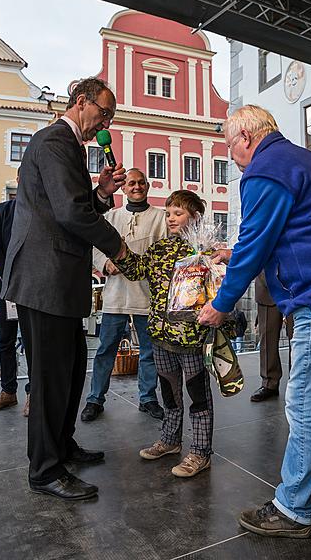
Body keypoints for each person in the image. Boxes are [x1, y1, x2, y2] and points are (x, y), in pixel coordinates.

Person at [198, 105, 311, 538]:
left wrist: (220, 303)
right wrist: (234, 254)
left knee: (304, 405)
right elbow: (292, 230)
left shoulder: (265, 170)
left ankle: (292, 508)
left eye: (229, 147)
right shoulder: (302, 159)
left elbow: (257, 242)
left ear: (246, 137)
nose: (232, 157)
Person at [1, 77, 126, 501]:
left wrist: (103, 194)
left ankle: (63, 446)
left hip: (58, 277)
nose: (105, 122)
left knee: (71, 372)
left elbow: (72, 205)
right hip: (45, 276)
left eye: (110, 117)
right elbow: (71, 214)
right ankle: (45, 469)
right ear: (80, 102)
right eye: (103, 113)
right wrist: (117, 245)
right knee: (51, 377)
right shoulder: (56, 141)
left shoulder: (69, 146)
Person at [116, 190, 216, 478]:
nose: (171, 218)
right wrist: (120, 250)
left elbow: (218, 291)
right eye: (169, 212)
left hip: (193, 339)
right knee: (169, 394)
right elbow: (135, 271)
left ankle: (200, 452)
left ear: (195, 217)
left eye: (179, 213)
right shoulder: (158, 249)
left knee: (198, 397)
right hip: (160, 337)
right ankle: (171, 440)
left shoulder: (204, 254)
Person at [81, 168, 166, 422]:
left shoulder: (160, 218)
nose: (136, 187)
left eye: (141, 182)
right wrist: (105, 265)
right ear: (124, 188)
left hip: (147, 297)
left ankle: (148, 398)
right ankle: (95, 398)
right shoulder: (111, 216)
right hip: (115, 296)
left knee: (149, 351)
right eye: (131, 183)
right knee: (106, 349)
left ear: (147, 186)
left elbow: (163, 252)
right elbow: (95, 247)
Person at [0, 170, 31, 416]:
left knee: (33, 343)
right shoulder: (3, 210)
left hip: (33, 288)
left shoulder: (40, 211)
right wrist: (9, 276)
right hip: (5, 287)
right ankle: (8, 392)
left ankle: (33, 394)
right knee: (5, 340)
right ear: (19, 179)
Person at [251, 271, 293, 402]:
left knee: (297, 338)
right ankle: (269, 383)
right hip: (266, 283)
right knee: (267, 337)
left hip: (295, 286)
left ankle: (298, 383)